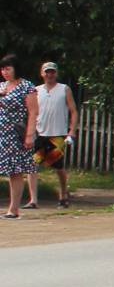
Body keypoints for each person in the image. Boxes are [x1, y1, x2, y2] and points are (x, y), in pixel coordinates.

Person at [33, 61, 75, 206]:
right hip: (40, 133)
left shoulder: (64, 89)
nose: (49, 75)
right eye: (47, 72)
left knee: (58, 166)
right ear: (42, 73)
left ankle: (63, 194)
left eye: (52, 72)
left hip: (57, 134)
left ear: (56, 73)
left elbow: (73, 111)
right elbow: (32, 111)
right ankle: (33, 199)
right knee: (33, 165)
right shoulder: (36, 90)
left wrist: (71, 131)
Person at [0, 56, 35, 219]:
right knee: (6, 170)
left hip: (16, 133)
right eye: (2, 69)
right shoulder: (2, 86)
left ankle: (13, 209)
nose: (4, 72)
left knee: (15, 171)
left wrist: (30, 135)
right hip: (2, 133)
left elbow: (33, 112)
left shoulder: (27, 86)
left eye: (8, 68)